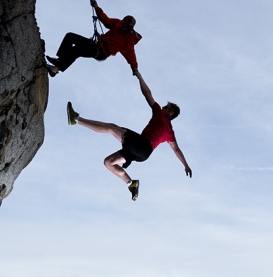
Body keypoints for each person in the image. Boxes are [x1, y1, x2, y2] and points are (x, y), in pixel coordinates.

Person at [67, 69, 191, 200]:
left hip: (142, 145)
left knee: (112, 128)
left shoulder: (160, 114)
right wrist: (186, 165)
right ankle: (131, 184)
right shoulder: (170, 132)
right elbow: (176, 149)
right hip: (143, 155)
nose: (163, 107)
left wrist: (139, 76)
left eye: (166, 107)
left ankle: (76, 119)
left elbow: (147, 93)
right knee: (109, 162)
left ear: (170, 113)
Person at [46, 0, 142, 76]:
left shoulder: (128, 40)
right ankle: (58, 63)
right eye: (122, 23)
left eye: (124, 26)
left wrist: (135, 69)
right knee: (70, 36)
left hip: (101, 52)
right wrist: (96, 7)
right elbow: (107, 21)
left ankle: (55, 68)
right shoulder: (119, 23)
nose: (122, 26)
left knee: (77, 50)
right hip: (95, 44)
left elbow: (131, 55)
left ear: (129, 27)